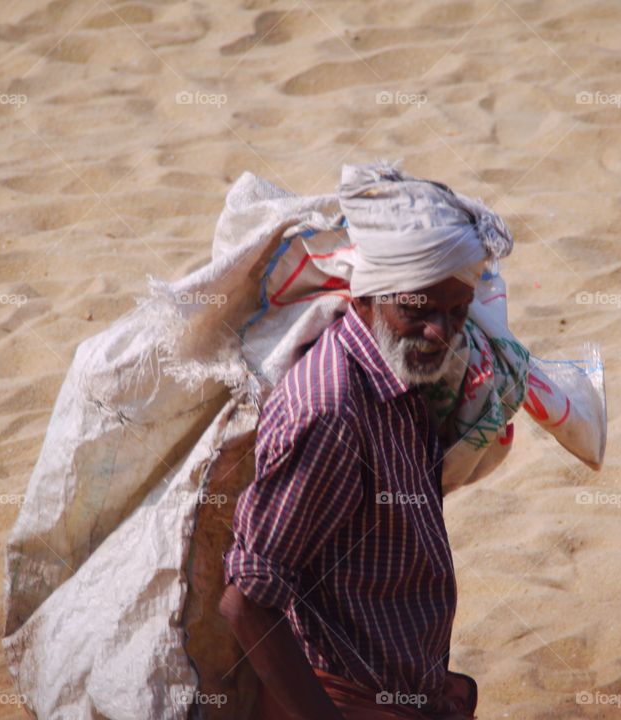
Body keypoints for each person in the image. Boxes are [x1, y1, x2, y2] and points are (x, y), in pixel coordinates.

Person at [219, 161, 514, 719]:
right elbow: (248, 601)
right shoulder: (330, 412)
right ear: (364, 299)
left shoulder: (405, 377)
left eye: (455, 312)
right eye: (416, 310)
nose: (440, 333)